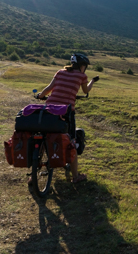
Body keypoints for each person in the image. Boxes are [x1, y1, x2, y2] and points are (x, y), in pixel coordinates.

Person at [35, 53, 99, 183]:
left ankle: (33, 175)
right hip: (66, 112)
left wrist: (40, 96)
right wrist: (92, 81)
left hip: (48, 109)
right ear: (82, 66)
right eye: (84, 66)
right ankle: (75, 177)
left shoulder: (60, 72)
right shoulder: (82, 76)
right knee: (72, 140)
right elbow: (86, 91)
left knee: (43, 135)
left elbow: (48, 89)